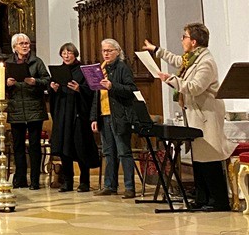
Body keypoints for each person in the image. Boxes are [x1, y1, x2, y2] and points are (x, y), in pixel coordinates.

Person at [144, 23, 233, 211]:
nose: (181, 40)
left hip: (207, 114)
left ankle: (218, 201)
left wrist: (171, 79)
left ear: (193, 41)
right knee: (199, 158)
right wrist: (156, 50)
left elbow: (195, 87)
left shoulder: (206, 62)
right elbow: (178, 60)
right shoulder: (193, 58)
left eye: (184, 37)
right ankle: (202, 198)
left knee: (210, 156)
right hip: (197, 114)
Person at [49, 42, 100, 192]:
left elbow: (93, 91)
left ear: (75, 54)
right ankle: (67, 182)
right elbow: (51, 91)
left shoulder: (84, 70)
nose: (66, 56)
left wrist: (79, 89)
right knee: (64, 148)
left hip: (78, 114)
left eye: (69, 53)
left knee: (80, 147)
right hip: (63, 114)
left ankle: (84, 181)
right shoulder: (58, 71)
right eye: (63, 53)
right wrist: (53, 88)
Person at [90, 38, 137, 199]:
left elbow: (131, 90)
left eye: (109, 50)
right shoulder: (101, 69)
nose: (106, 53)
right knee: (108, 153)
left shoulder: (123, 68)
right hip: (104, 115)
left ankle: (130, 187)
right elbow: (96, 95)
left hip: (119, 116)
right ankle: (110, 185)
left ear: (118, 52)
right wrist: (94, 118)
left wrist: (112, 86)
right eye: (104, 51)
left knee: (123, 152)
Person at [6, 32, 50, 190]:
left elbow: (47, 80)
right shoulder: (8, 63)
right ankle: (20, 179)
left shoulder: (37, 62)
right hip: (16, 108)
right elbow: (0, 85)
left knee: (34, 146)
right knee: (18, 146)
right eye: (21, 43)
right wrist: (7, 83)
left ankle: (35, 180)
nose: (25, 46)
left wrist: (35, 81)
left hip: (34, 108)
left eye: (26, 43)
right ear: (14, 47)